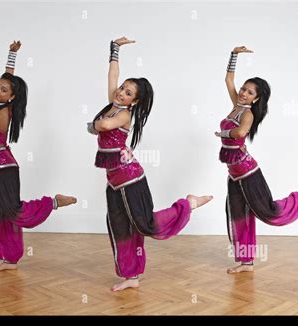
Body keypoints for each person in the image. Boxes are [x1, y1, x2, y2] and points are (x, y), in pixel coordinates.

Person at [87, 37, 213, 291]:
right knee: (119, 225)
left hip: (131, 178)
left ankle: (188, 204)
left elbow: (103, 125)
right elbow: (112, 75)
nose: (121, 92)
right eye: (122, 88)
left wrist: (94, 125)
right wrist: (115, 49)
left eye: (128, 93)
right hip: (114, 180)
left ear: (134, 102)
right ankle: (131, 276)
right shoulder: (113, 104)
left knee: (145, 224)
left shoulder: (123, 113)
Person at [0, 41, 77, 272]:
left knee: (13, 211)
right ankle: (10, 259)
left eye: (2, 90)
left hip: (4, 169)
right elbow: (8, 78)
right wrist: (12, 55)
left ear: (11, 97)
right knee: (0, 214)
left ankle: (54, 202)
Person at [216, 46, 298, 274]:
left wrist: (222, 134)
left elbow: (238, 134)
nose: (243, 93)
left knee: (269, 211)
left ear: (256, 100)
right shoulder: (236, 106)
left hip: (248, 172)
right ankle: (246, 262)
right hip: (233, 174)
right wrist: (234, 55)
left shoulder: (247, 114)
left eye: (249, 93)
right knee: (239, 215)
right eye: (244, 89)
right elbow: (228, 79)